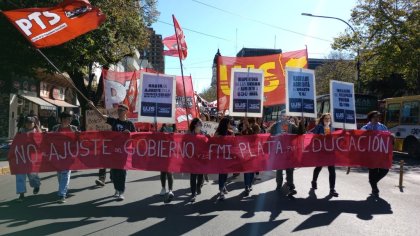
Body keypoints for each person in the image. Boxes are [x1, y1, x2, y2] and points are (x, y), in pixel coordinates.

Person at [90, 103, 135, 201]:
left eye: (121, 110)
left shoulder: (130, 124)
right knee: (114, 173)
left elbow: (135, 138)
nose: (119, 112)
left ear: (126, 111)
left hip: (124, 153)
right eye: (118, 110)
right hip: (113, 152)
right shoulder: (114, 121)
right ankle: (116, 189)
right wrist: (93, 106)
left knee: (122, 172)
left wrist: (129, 134)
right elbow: (102, 116)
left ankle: (121, 192)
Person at [269, 113, 305, 197]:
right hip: (279, 151)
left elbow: (300, 133)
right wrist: (276, 135)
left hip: (289, 151)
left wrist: (301, 123)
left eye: (285, 115)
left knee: (290, 169)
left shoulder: (291, 125)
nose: (284, 117)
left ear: (288, 116)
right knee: (279, 168)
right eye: (282, 115)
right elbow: (270, 135)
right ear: (280, 116)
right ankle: (279, 184)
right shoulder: (276, 125)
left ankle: (290, 185)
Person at [51, 111, 78, 203]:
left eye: (69, 119)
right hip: (58, 154)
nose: (67, 121)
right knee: (59, 174)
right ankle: (64, 188)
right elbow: (48, 139)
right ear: (61, 120)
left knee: (65, 173)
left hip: (69, 155)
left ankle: (62, 194)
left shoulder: (74, 128)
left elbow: (80, 139)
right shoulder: (55, 128)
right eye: (65, 119)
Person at [361, 110, 390, 197]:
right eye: (375, 117)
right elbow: (359, 138)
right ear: (371, 118)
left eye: (378, 117)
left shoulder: (383, 127)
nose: (377, 118)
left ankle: (373, 182)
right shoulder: (365, 128)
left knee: (385, 170)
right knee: (372, 171)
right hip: (370, 155)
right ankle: (375, 188)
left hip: (381, 154)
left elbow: (388, 139)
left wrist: (391, 136)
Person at [310, 113, 339, 197]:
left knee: (332, 170)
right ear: (322, 119)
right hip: (321, 151)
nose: (327, 120)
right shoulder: (319, 127)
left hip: (330, 151)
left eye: (329, 118)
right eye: (326, 118)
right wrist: (321, 136)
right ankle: (314, 181)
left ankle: (332, 189)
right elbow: (314, 136)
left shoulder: (332, 127)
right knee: (319, 167)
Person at [15, 116, 41, 202]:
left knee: (32, 174)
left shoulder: (37, 131)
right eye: (27, 122)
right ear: (25, 123)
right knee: (20, 175)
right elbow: (16, 141)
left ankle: (36, 185)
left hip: (33, 157)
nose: (29, 124)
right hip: (22, 156)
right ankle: (21, 193)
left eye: (31, 122)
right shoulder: (20, 131)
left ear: (34, 124)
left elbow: (42, 141)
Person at [214, 117, 234, 200]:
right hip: (220, 156)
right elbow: (214, 141)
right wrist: (218, 137)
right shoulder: (218, 133)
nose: (230, 124)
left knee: (225, 173)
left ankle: (224, 185)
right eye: (229, 123)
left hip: (228, 156)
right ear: (225, 124)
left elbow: (233, 142)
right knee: (221, 173)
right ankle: (221, 190)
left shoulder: (230, 132)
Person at [187, 118, 205, 202]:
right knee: (193, 176)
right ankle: (193, 193)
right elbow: (184, 143)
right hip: (192, 158)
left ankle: (199, 186)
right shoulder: (189, 133)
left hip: (201, 158)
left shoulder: (203, 133)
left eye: (201, 124)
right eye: (199, 124)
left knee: (200, 174)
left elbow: (207, 143)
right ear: (195, 125)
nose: (201, 125)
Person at [242, 117, 260, 196]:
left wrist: (248, 127)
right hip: (245, 150)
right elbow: (242, 134)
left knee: (252, 169)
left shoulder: (256, 126)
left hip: (253, 150)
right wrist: (244, 128)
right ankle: (246, 185)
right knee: (247, 169)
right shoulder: (245, 126)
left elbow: (254, 136)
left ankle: (249, 184)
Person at [159, 123, 175, 200]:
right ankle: (163, 188)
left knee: (170, 172)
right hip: (162, 152)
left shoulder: (175, 128)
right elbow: (156, 137)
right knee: (163, 172)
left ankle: (170, 190)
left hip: (171, 153)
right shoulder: (162, 128)